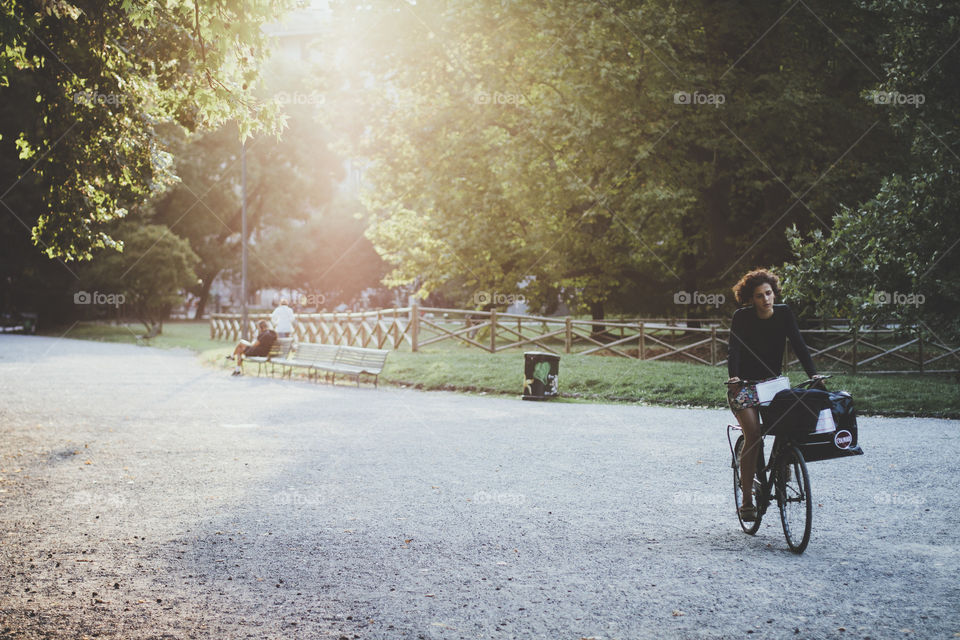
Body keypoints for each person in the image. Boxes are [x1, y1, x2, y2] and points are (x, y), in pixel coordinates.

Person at [726, 269, 824, 522]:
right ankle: (747, 500)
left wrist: (813, 374)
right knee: (754, 435)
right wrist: (734, 377)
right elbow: (734, 350)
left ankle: (784, 463)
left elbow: (800, 345)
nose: (765, 299)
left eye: (768, 293)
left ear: (774, 293)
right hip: (745, 386)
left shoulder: (784, 314)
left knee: (789, 424)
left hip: (772, 385)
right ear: (751, 299)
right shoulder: (742, 317)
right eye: (759, 296)